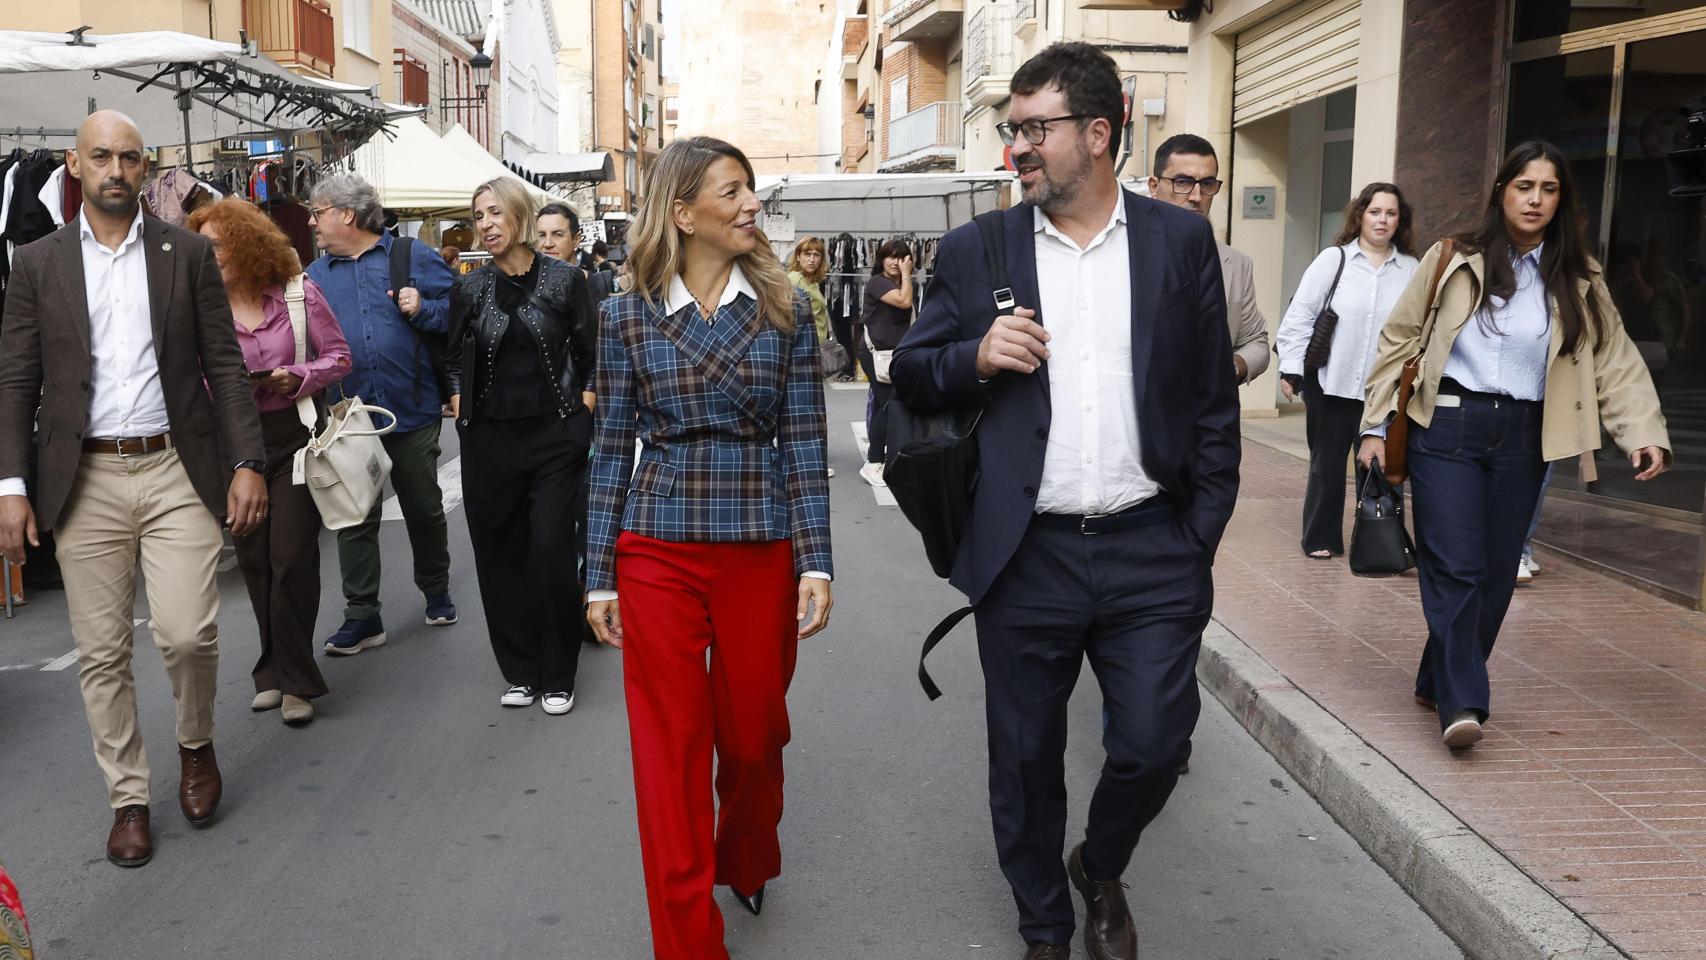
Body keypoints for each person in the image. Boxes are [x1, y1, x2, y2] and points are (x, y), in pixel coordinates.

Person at [891, 43, 1239, 960]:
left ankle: (1102, 863)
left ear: (1097, 132)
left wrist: (1199, 532)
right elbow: (908, 376)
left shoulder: (1179, 241)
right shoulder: (978, 250)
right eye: (1013, 130)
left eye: (1034, 129)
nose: (1019, 148)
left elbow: (1211, 401)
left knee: (1156, 744)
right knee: (1025, 759)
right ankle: (1044, 924)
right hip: (1026, 553)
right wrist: (971, 356)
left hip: (1152, 544)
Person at [584, 136, 834, 959]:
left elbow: (803, 437)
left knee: (755, 735)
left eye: (752, 189)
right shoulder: (624, 313)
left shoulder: (785, 308)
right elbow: (610, 442)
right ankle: (689, 942)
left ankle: (750, 848)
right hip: (655, 545)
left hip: (758, 541)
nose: (751, 204)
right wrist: (597, 575)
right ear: (683, 212)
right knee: (670, 753)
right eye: (732, 192)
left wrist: (816, 559)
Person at [0, 110, 267, 867]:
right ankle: (127, 796)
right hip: (83, 476)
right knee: (102, 652)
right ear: (75, 166)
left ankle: (194, 745)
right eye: (102, 157)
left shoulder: (184, 255)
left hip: (176, 468)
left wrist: (248, 461)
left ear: (146, 170)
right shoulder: (36, 263)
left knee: (187, 632)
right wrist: (10, 486)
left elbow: (225, 363)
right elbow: (16, 380)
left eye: (130, 159)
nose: (116, 170)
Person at [1357, 141, 1670, 750]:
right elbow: (1397, 341)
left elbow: (1615, 358)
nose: (1534, 199)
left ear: (1562, 200)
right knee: (1455, 562)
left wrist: (1642, 431)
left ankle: (1434, 676)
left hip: (1526, 436)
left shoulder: (1578, 278)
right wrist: (1374, 425)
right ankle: (1463, 700)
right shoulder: (1453, 259)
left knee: (1498, 570)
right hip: (1446, 426)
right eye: (1524, 186)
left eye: (1548, 189)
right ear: (1501, 190)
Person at [188, 198, 351, 726]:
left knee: (292, 556)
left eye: (214, 246)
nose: (206, 256)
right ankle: (271, 669)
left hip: (297, 436)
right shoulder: (198, 309)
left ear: (246, 244)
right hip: (233, 445)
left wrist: (297, 375)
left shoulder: (298, 296)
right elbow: (190, 380)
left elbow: (340, 357)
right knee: (256, 560)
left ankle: (297, 680)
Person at [447, 178, 598, 714]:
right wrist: (460, 398)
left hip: (556, 435)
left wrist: (585, 406)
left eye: (493, 212)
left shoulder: (564, 280)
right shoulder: (469, 287)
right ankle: (521, 670)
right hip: (490, 439)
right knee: (499, 555)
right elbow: (450, 354)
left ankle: (558, 672)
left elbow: (590, 350)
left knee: (552, 553)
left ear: (518, 216)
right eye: (477, 215)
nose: (485, 224)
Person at [306, 173, 458, 654]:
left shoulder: (411, 257)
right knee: (355, 516)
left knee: (423, 507)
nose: (311, 222)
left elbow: (462, 310)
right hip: (349, 419)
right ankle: (363, 616)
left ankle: (436, 589)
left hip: (412, 407)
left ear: (346, 214)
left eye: (318, 212)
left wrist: (424, 308)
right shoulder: (314, 276)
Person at [1276, 183, 1419, 558]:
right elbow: (1300, 317)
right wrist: (1291, 371)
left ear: (1399, 220)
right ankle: (1321, 538)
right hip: (1331, 382)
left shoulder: (1411, 269)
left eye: (1391, 213)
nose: (1382, 220)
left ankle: (1379, 542)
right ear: (1360, 215)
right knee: (1327, 465)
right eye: (1375, 212)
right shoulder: (1334, 260)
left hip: (1383, 391)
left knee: (1382, 468)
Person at [1146, 133, 1270, 384]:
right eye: (1182, 182)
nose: (1196, 196)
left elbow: (1256, 341)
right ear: (1154, 186)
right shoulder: (1124, 251)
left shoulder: (1235, 263)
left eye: (1207, 184)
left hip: (1207, 415)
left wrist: (1231, 367)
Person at [857, 238, 914, 488]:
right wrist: (907, 275)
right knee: (888, 405)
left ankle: (886, 459)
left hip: (893, 354)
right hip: (875, 354)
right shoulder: (879, 282)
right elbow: (905, 302)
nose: (895, 262)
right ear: (881, 259)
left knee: (889, 405)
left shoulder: (897, 283)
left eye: (901, 257)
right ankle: (873, 463)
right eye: (890, 256)